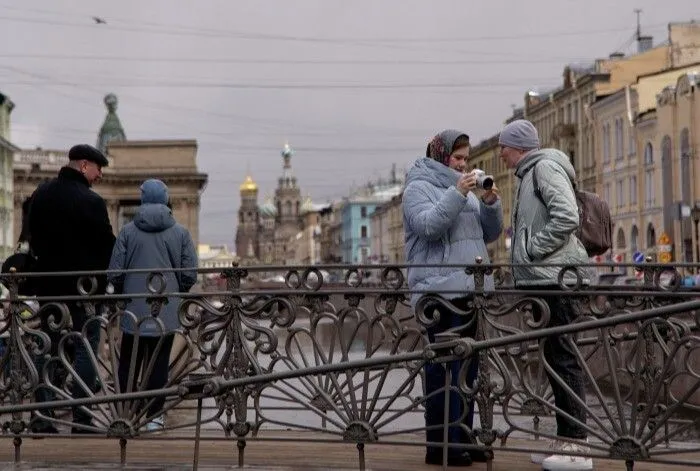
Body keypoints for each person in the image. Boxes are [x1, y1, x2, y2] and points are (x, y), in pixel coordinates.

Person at [403, 130, 503, 466]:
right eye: (458, 158)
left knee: (468, 369)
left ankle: (462, 436)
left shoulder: (467, 192)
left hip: (469, 290)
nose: (464, 164)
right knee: (444, 368)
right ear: (441, 156)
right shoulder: (417, 188)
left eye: (466, 158)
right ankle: (440, 445)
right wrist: (457, 192)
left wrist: (491, 205)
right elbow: (429, 226)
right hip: (438, 291)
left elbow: (489, 235)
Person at [499, 119, 592, 471]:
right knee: (554, 360)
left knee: (564, 359)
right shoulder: (529, 174)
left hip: (556, 278)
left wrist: (533, 249)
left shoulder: (545, 169)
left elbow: (567, 215)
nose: (502, 155)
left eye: (504, 147)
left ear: (518, 146)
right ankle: (566, 438)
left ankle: (578, 447)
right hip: (544, 280)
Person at [28, 143, 116, 434]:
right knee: (86, 349)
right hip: (83, 291)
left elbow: (33, 240)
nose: (100, 175)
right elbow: (107, 249)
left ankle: (42, 415)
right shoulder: (91, 201)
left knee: (47, 345)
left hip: (48, 289)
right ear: (83, 166)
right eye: (97, 169)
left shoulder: (41, 194)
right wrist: (106, 287)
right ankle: (81, 416)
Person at [108, 179, 197, 432]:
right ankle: (155, 417)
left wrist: (125, 291)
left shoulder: (127, 231)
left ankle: (126, 412)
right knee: (158, 364)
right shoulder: (180, 232)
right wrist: (177, 292)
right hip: (165, 309)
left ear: (142, 199)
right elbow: (190, 273)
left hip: (133, 310)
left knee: (128, 362)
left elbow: (114, 272)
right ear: (167, 199)